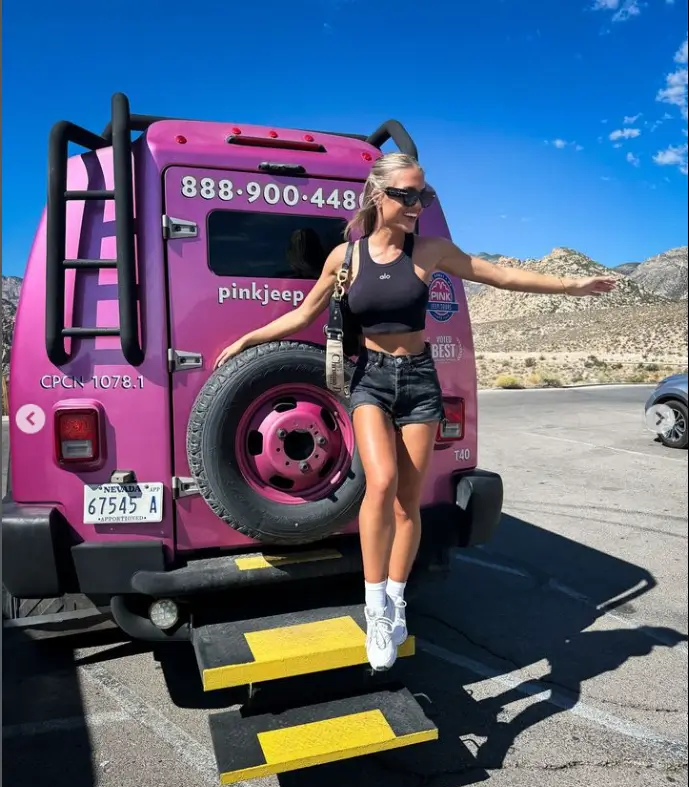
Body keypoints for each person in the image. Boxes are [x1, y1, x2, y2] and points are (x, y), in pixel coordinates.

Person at [214, 152, 617, 672]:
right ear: (378, 196)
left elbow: (500, 276)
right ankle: (375, 603)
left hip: (421, 383)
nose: (417, 205)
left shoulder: (430, 251)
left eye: (423, 195)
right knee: (378, 484)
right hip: (370, 381)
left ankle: (396, 599)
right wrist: (249, 337)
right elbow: (304, 313)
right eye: (407, 195)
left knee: (408, 502)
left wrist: (573, 285)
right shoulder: (346, 258)